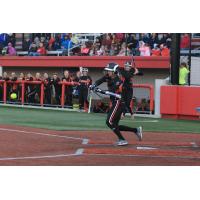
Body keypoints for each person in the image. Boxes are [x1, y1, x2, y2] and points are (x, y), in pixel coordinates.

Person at [89, 62, 143, 146]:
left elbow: (113, 93)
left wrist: (100, 91)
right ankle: (136, 130)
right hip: (115, 102)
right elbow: (99, 81)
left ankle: (122, 139)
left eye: (109, 71)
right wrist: (93, 85)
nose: (107, 72)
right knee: (114, 125)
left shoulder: (118, 80)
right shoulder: (108, 76)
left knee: (109, 122)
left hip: (118, 102)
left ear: (114, 71)